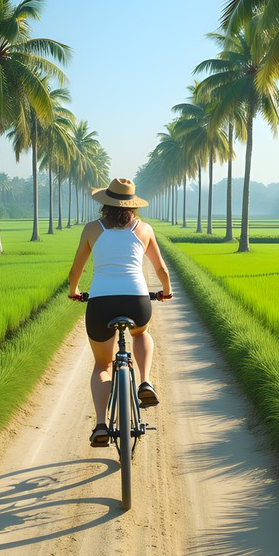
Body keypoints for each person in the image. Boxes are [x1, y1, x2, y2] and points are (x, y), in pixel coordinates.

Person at [68, 178, 172, 447]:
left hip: (101, 304)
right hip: (136, 301)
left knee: (103, 365)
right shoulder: (143, 229)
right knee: (141, 332)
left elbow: (74, 272)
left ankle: (101, 424)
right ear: (132, 206)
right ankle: (145, 382)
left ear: (105, 203)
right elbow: (161, 270)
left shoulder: (93, 229)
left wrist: (74, 290)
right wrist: (166, 290)